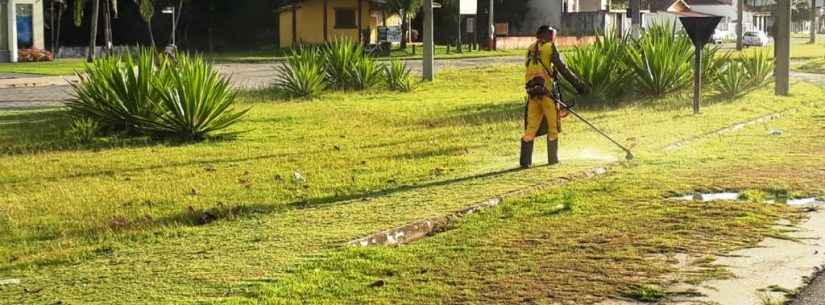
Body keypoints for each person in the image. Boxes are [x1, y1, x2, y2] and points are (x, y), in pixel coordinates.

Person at [520, 25, 589, 168]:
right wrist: (580, 86)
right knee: (553, 127)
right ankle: (553, 160)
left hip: (533, 95)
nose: (554, 38)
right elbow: (563, 69)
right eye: (553, 35)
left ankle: (525, 162)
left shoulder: (530, 49)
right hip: (547, 94)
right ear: (548, 35)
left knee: (530, 129)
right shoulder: (550, 48)